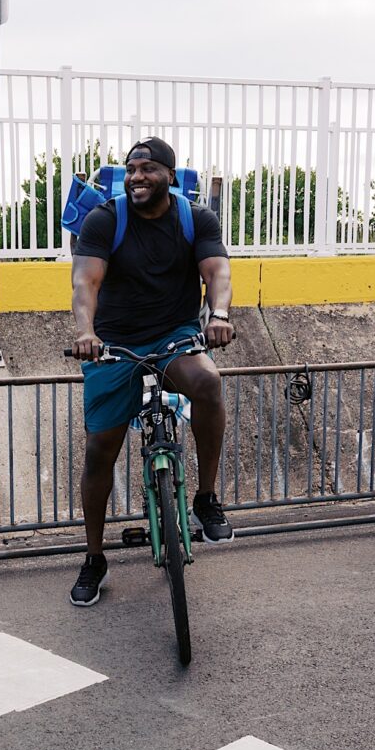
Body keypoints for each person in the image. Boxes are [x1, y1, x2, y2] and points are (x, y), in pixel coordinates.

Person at [68, 137, 235, 607]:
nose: (137, 177)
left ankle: (205, 498)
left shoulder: (194, 217)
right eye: (130, 169)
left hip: (173, 336)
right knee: (100, 450)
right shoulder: (106, 218)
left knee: (208, 382)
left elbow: (216, 271)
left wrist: (218, 314)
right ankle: (95, 557)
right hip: (114, 342)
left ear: (169, 175)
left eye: (147, 169)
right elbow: (85, 281)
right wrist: (86, 331)